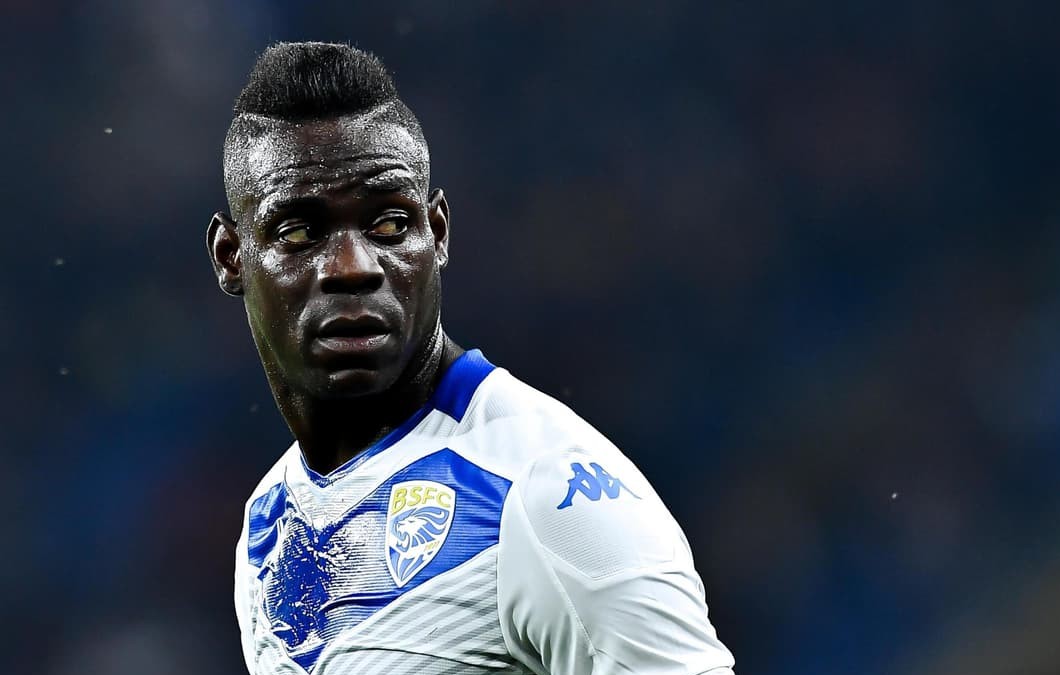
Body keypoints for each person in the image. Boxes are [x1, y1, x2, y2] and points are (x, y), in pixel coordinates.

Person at [207, 41, 734, 675]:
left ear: (438, 233)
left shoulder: (546, 495)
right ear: (231, 256)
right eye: (299, 232)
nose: (352, 266)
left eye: (389, 225)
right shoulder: (269, 519)